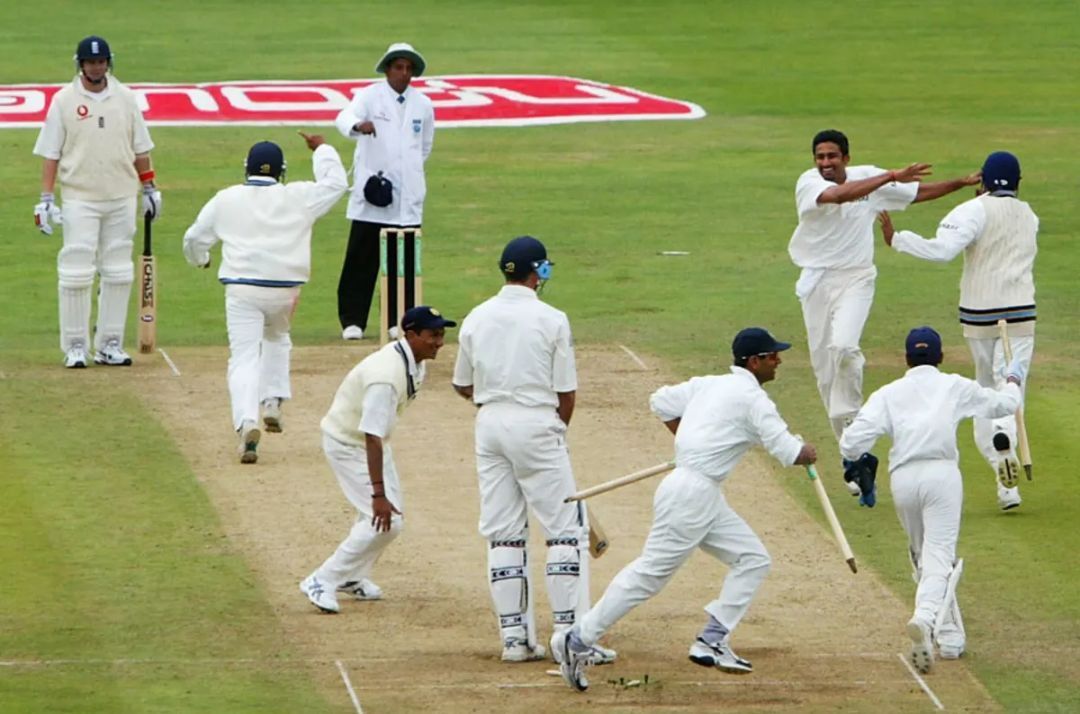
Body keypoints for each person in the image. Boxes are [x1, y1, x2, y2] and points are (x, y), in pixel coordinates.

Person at [556, 327, 818, 692]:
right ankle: (578, 639)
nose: (779, 361)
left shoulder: (709, 384)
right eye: (773, 356)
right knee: (650, 574)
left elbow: (661, 401)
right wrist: (808, 451)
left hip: (699, 492)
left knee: (753, 559)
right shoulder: (755, 400)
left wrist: (689, 443)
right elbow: (790, 453)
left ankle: (712, 638)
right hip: (692, 494)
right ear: (754, 362)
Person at [451, 236, 615, 665]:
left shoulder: (476, 316)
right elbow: (566, 391)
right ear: (539, 272)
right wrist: (551, 429)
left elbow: (461, 383)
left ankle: (514, 641)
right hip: (538, 424)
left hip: (489, 425)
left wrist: (497, 406)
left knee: (504, 532)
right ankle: (568, 637)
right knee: (564, 531)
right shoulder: (552, 318)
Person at [839, 326, 1023, 673]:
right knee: (938, 558)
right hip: (941, 475)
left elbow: (850, 443)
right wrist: (1013, 378)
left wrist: (861, 461)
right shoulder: (953, 385)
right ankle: (924, 620)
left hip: (903, 479)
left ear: (907, 359)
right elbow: (1005, 404)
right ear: (939, 357)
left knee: (925, 558)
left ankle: (951, 639)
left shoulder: (888, 393)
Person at [788, 129, 981, 443]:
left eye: (832, 156)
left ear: (846, 158)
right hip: (816, 281)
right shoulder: (808, 182)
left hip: (856, 279)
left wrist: (959, 183)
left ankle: (853, 429)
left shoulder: (869, 177)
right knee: (825, 374)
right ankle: (851, 451)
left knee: (845, 347)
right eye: (820, 157)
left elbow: (917, 193)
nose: (826, 162)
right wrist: (890, 176)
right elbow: (839, 196)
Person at [879, 151, 1038, 511]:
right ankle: (1004, 438)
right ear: (1018, 182)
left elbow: (942, 251)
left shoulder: (973, 210)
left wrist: (898, 239)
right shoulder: (1030, 215)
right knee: (1010, 384)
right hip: (1021, 316)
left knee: (985, 390)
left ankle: (1006, 482)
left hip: (979, 316)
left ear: (982, 180)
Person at [182, 133, 347, 463]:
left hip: (242, 289)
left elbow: (193, 238)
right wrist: (322, 149)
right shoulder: (299, 196)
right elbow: (336, 184)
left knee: (243, 357)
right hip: (285, 289)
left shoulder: (226, 198)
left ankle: (247, 422)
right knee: (277, 337)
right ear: (281, 172)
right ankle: (272, 399)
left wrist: (201, 260)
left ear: (247, 169)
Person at [300, 306, 455, 613]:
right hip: (348, 443)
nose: (439, 342)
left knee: (383, 520)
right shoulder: (386, 377)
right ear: (410, 335)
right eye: (432, 336)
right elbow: (370, 434)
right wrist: (378, 493)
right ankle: (322, 579)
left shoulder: (414, 360)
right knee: (387, 520)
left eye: (441, 335)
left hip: (370, 443)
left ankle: (352, 576)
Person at [32, 35, 162, 368]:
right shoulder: (63, 101)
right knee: (76, 271)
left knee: (118, 271)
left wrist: (149, 188)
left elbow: (140, 148)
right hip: (80, 197)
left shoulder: (126, 98)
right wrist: (46, 198)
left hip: (121, 196)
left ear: (108, 62)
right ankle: (75, 345)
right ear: (81, 64)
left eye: (101, 61)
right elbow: (50, 153)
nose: (96, 67)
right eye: (90, 62)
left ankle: (109, 344)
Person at [334, 42, 435, 341]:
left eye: (408, 69)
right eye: (398, 67)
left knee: (399, 263)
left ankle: (398, 320)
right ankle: (352, 321)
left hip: (408, 198)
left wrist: (409, 170)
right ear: (388, 69)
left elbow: (424, 146)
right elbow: (344, 117)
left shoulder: (423, 105)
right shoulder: (370, 96)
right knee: (361, 259)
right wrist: (358, 125)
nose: (403, 74)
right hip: (374, 194)